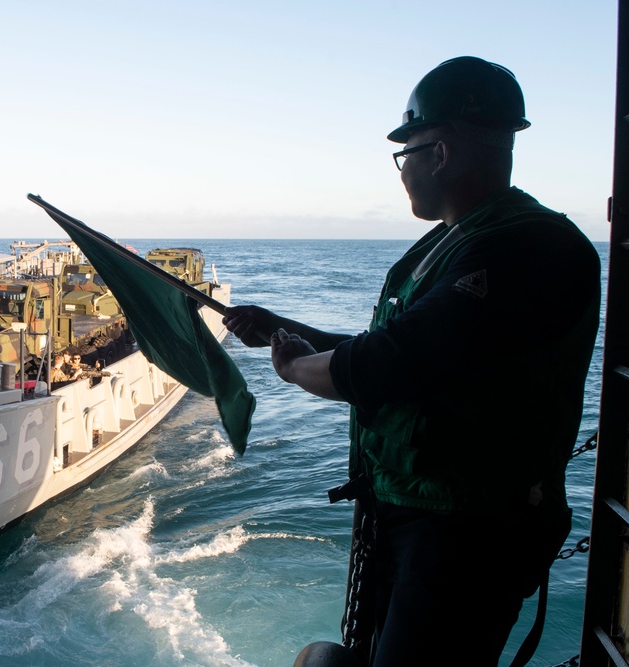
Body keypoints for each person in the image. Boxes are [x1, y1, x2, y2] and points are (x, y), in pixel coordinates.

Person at [225, 56, 601, 667]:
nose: (403, 172)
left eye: (407, 154)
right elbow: (406, 343)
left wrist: (293, 368)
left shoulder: (527, 245)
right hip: (421, 512)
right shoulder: (464, 238)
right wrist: (282, 330)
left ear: (440, 153)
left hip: (465, 530)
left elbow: (386, 363)